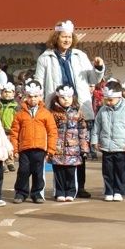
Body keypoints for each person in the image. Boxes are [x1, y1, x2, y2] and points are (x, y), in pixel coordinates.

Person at [34, 20, 105, 198]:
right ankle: (60, 188)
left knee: (78, 149)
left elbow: (93, 79)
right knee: (58, 149)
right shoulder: (45, 58)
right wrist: (41, 106)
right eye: (63, 36)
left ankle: (79, 187)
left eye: (69, 37)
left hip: (78, 109)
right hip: (56, 110)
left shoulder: (80, 56)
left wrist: (98, 68)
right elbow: (39, 83)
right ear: (56, 37)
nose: (66, 40)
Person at [10, 80, 58, 204]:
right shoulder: (20, 114)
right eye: (30, 96)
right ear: (26, 96)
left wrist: (51, 149)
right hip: (24, 149)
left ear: (40, 96)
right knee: (23, 171)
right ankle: (21, 193)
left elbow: (52, 132)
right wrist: (15, 149)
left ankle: (36, 193)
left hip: (40, 149)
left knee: (38, 172)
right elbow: (14, 132)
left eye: (36, 96)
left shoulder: (46, 114)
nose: (33, 99)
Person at [91, 81, 125, 202]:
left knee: (120, 171)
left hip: (121, 147)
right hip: (106, 146)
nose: (108, 102)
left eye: (111, 100)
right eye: (106, 99)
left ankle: (118, 191)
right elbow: (97, 126)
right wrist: (95, 141)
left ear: (119, 97)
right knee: (107, 171)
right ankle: (109, 191)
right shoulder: (102, 110)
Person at [50, 85, 89, 201]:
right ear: (57, 98)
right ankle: (60, 192)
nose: (66, 99)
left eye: (69, 97)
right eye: (63, 97)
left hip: (73, 150)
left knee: (71, 172)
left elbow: (83, 131)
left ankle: (71, 192)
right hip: (58, 149)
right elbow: (49, 131)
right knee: (59, 172)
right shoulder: (52, 113)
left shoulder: (78, 113)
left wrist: (84, 148)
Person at [0, 82, 19, 171]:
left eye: (9, 92)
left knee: (10, 146)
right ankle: (2, 162)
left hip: (10, 129)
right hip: (0, 129)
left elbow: (17, 117)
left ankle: (10, 161)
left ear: (13, 93)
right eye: (5, 92)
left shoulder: (15, 106)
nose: (7, 94)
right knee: (1, 145)